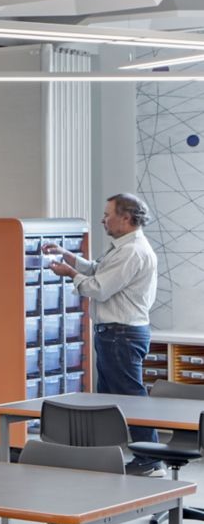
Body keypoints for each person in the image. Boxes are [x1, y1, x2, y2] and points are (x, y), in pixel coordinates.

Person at [44, 192, 160, 467]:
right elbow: (98, 270)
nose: (102, 220)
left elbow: (99, 288)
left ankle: (150, 458)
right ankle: (107, 456)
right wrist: (69, 257)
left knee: (130, 398)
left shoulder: (131, 251)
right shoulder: (123, 247)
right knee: (110, 400)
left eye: (108, 215)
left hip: (121, 334)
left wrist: (70, 274)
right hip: (114, 334)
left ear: (126, 218)